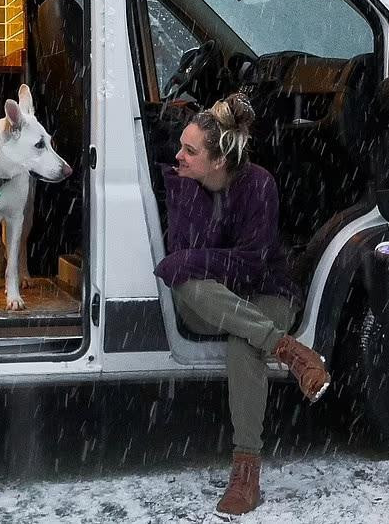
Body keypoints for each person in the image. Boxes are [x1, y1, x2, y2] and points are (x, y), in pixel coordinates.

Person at [154, 92, 330, 516]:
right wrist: (192, 253)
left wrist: (193, 260)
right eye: (181, 146)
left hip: (267, 292)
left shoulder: (259, 185)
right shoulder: (184, 184)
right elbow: (184, 260)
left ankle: (245, 471)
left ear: (218, 160)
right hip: (212, 300)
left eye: (190, 151)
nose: (178, 156)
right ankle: (287, 349)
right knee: (187, 285)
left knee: (242, 341)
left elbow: (251, 265)